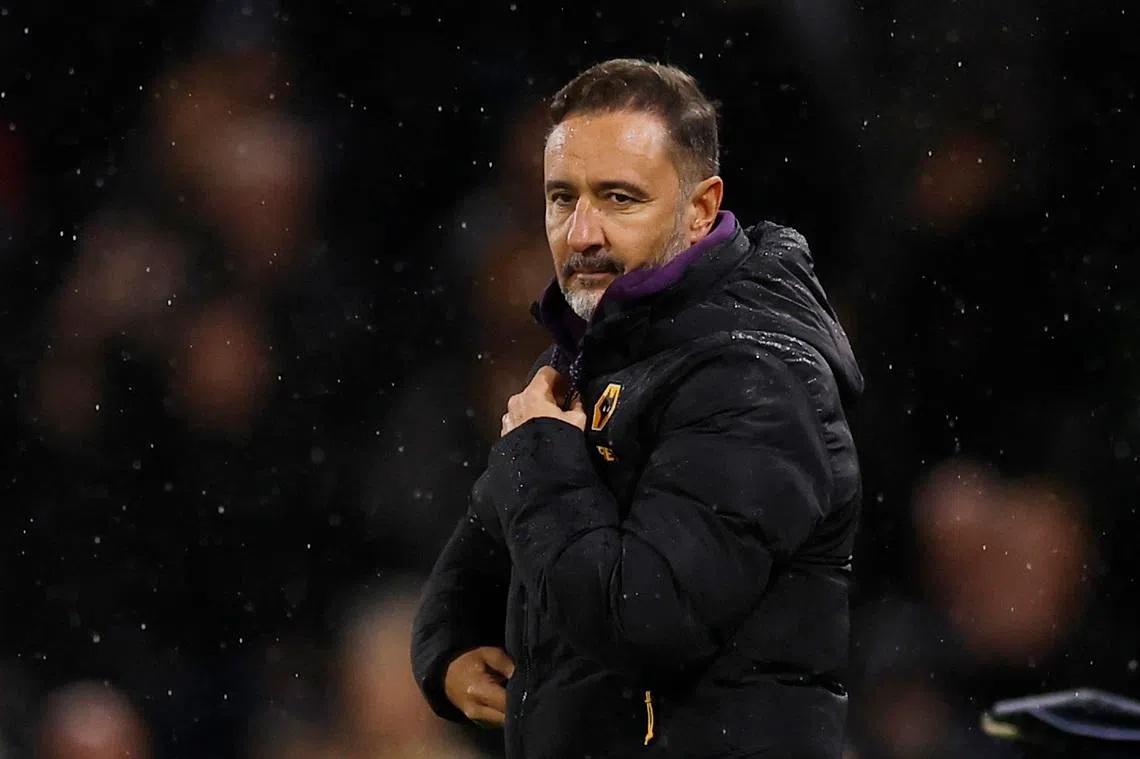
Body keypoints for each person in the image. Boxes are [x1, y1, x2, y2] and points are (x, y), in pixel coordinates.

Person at [411, 57, 864, 759]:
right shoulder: (584, 358)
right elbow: (483, 551)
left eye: (618, 198)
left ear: (700, 210)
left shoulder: (758, 378)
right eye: (562, 198)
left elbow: (646, 620)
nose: (581, 232)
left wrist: (538, 451)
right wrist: (447, 647)